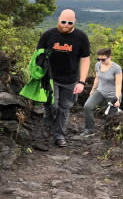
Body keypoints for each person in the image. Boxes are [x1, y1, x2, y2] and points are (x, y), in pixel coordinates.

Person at [36, 9, 91, 147]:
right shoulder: (48, 35)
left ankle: (59, 135)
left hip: (71, 79)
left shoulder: (81, 37)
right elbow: (38, 55)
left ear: (75, 22)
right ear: (58, 19)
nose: (66, 25)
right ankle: (45, 134)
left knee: (64, 108)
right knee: (51, 106)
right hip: (50, 78)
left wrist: (82, 82)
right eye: (63, 22)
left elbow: (85, 59)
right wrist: (38, 75)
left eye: (70, 22)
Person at [80, 48, 122, 137]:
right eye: (99, 59)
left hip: (113, 95)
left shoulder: (116, 68)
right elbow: (97, 78)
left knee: (111, 117)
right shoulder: (98, 65)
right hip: (100, 91)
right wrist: (93, 90)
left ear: (109, 57)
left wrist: (117, 99)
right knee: (87, 107)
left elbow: (118, 84)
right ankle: (90, 130)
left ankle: (112, 134)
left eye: (103, 59)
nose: (101, 61)